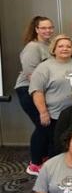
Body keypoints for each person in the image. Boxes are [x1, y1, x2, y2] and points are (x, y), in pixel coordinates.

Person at [28, 34, 72, 175]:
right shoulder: (44, 67)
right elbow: (37, 91)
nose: (65, 49)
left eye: (68, 46)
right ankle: (53, 172)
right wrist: (43, 112)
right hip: (55, 113)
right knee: (56, 145)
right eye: (60, 46)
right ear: (54, 49)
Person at [14, 16, 55, 175]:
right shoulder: (32, 47)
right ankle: (35, 164)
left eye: (50, 27)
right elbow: (32, 76)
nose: (48, 30)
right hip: (29, 90)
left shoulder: (48, 45)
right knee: (43, 126)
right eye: (43, 28)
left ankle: (43, 157)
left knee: (46, 126)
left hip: (43, 91)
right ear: (36, 29)